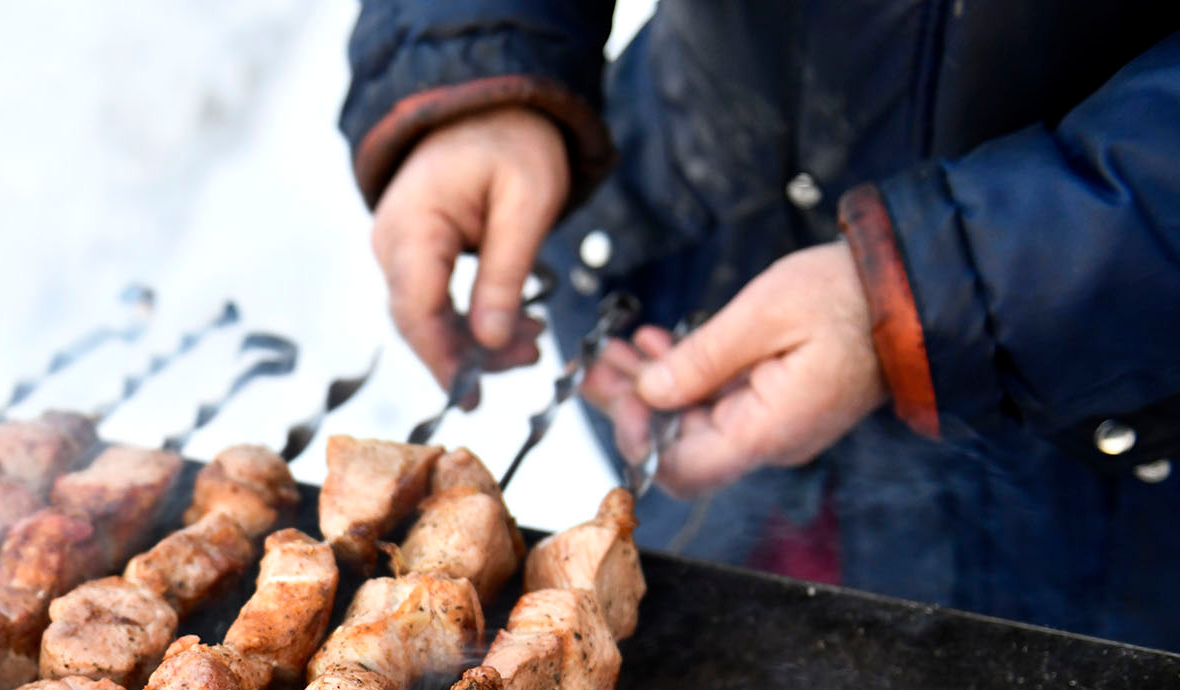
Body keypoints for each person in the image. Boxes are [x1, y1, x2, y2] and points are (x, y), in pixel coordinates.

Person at [342, 3, 1180, 649]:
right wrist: (477, 60)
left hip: (1094, 394)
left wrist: (943, 282)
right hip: (697, 232)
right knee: (722, 639)